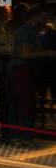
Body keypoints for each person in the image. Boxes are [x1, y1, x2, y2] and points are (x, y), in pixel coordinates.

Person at [8, 7, 56, 140]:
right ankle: (25, 137)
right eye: (43, 17)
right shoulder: (27, 30)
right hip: (21, 69)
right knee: (25, 103)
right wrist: (47, 53)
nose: (46, 21)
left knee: (18, 103)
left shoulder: (31, 30)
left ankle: (16, 136)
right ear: (35, 16)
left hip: (21, 69)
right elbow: (25, 54)